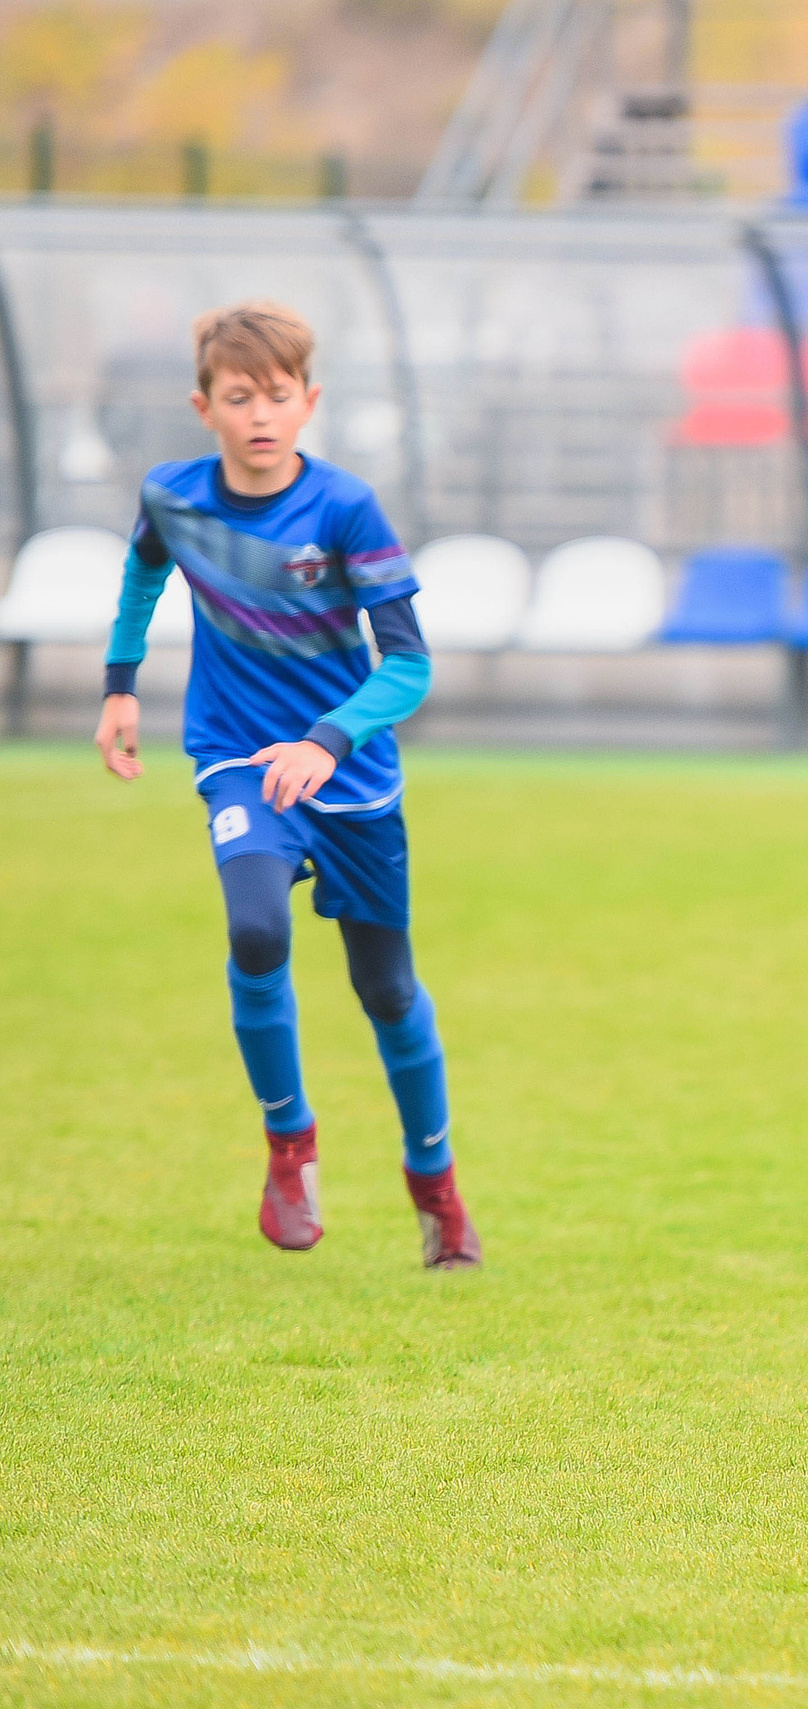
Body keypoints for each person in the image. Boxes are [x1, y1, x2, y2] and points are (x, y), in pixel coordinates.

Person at [92, 300, 480, 1269]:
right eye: (237, 397)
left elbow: (408, 667)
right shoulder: (174, 496)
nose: (259, 414)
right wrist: (120, 685)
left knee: (386, 989)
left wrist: (328, 739)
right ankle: (289, 1141)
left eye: (276, 395)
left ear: (308, 401)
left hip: (347, 778)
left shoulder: (344, 508)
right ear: (204, 406)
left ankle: (434, 1179)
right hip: (235, 753)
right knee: (257, 929)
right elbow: (144, 570)